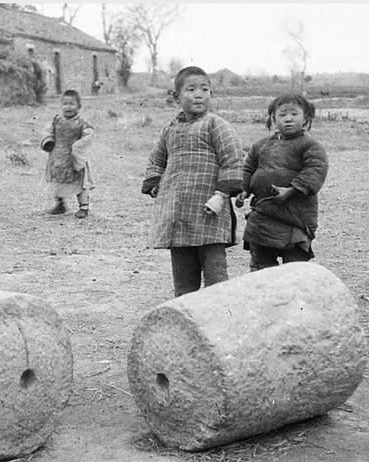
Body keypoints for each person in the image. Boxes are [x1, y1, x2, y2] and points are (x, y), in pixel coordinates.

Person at [141, 66, 244, 297]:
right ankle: (186, 315)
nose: (199, 94)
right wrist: (156, 184)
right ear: (176, 96)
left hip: (210, 213)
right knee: (184, 282)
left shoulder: (216, 125)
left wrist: (221, 195)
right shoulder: (170, 128)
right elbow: (157, 159)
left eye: (204, 89)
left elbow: (233, 159)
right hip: (178, 216)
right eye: (191, 89)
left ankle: (218, 317)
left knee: (216, 278)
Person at [236, 92, 329, 271]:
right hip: (263, 215)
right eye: (282, 115)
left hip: (293, 215)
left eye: (294, 114)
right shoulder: (261, 145)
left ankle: (294, 297)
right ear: (273, 117)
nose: (288, 119)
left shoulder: (310, 146)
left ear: (305, 118)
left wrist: (292, 190)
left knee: (294, 268)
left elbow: (315, 169)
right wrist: (243, 189)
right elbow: (248, 168)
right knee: (261, 266)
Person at [40, 89, 95, 219]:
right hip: (58, 158)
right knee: (57, 182)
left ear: (79, 106)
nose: (68, 107)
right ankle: (60, 204)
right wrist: (48, 140)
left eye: (72, 104)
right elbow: (48, 131)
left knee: (78, 183)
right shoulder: (57, 120)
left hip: (74, 158)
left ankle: (84, 207)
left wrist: (78, 146)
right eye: (65, 104)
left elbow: (89, 135)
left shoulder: (82, 122)